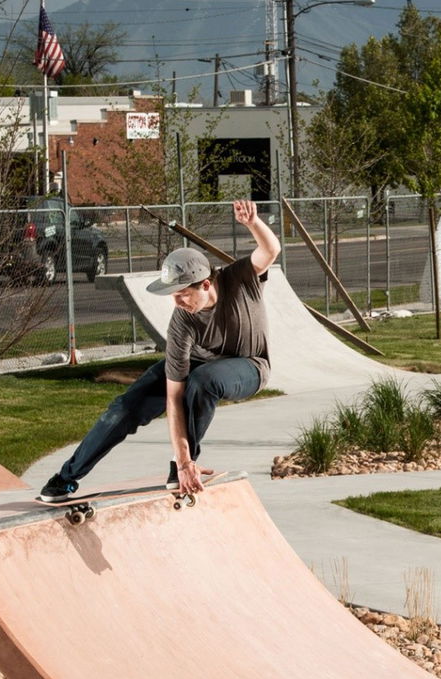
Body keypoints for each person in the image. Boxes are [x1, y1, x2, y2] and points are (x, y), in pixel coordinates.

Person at [37, 199, 280, 501]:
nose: (178, 304)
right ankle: (66, 478)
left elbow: (270, 251)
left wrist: (252, 224)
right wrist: (182, 457)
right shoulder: (181, 323)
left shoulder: (239, 279)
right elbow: (174, 396)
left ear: (205, 284)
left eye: (183, 295)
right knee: (124, 407)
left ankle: (184, 463)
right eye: (173, 297)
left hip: (249, 366)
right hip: (199, 365)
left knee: (203, 381)